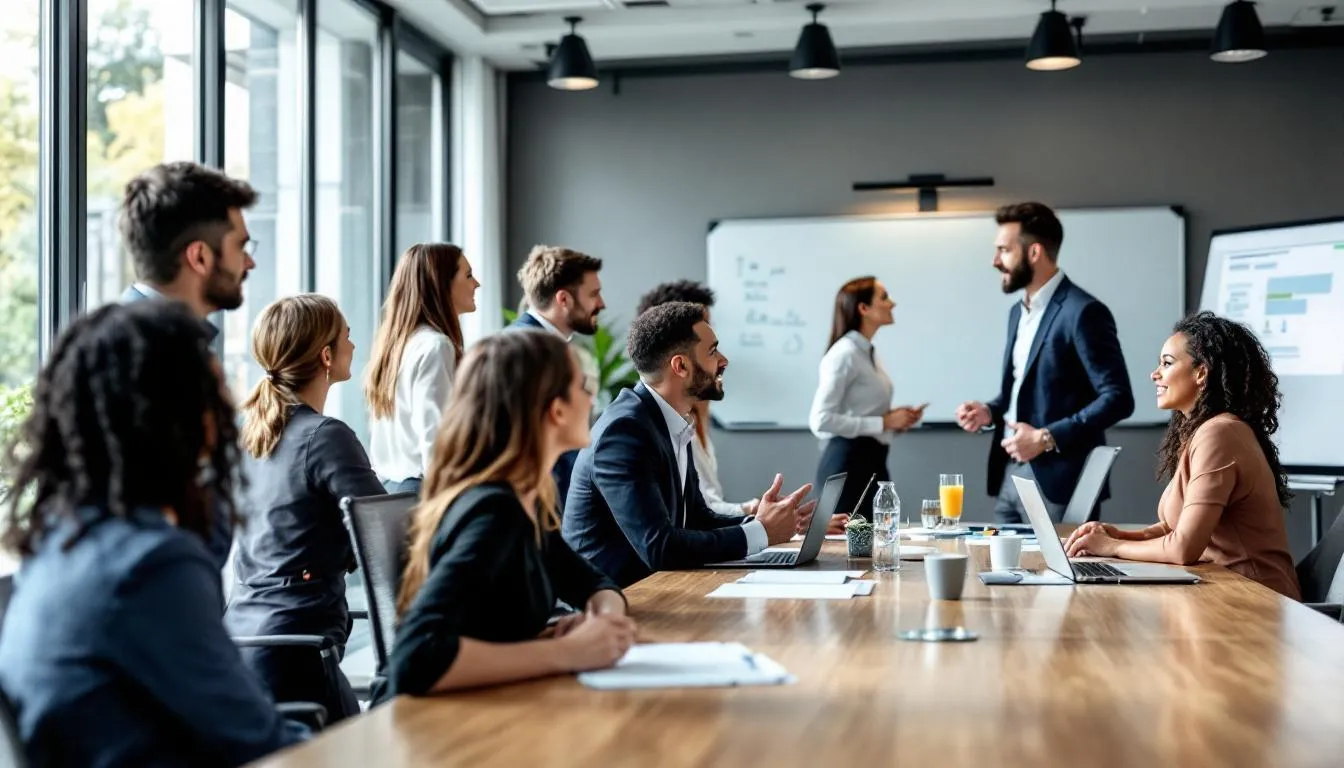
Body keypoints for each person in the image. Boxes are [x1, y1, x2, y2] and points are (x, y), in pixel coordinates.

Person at [0, 302, 308, 767]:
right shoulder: (149, 564)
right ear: (171, 416)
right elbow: (257, 738)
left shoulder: (64, 544)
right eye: (212, 390)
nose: (226, 408)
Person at [384, 331, 636, 697]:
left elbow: (595, 585)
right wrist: (568, 651)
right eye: (582, 386)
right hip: (435, 733)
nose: (592, 398)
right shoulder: (494, 511)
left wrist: (603, 621)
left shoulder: (526, 502)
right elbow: (415, 658)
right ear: (556, 409)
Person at [563, 301, 817, 587]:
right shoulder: (625, 431)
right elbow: (659, 547)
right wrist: (761, 531)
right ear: (680, 366)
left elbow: (696, 518)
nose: (724, 360)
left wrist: (767, 521)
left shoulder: (667, 419)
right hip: (613, 604)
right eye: (712, 351)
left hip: (656, 592)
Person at [224, 295, 386, 722]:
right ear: (327, 356)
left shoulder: (251, 435)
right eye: (348, 336)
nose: (355, 345)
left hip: (243, 645)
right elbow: (384, 539)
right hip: (299, 656)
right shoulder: (326, 436)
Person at [1064, 312, 1301, 600]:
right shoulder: (1204, 431)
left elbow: (1183, 548)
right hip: (1223, 591)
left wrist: (1111, 547)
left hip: (1256, 601)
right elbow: (1172, 528)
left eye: (1166, 363)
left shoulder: (1220, 434)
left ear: (1201, 372)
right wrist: (1118, 536)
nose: (1155, 374)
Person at [116, 160, 260, 569]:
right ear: (199, 257)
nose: (248, 263)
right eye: (241, 247)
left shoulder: (173, 346)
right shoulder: (136, 357)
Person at [955, 202, 1134, 524]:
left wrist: (1045, 437)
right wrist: (989, 411)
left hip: (1061, 482)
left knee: (1059, 574)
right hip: (1009, 472)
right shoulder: (1016, 313)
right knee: (1004, 572)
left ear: (1034, 252)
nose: (995, 261)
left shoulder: (1083, 312)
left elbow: (1119, 398)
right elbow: (1018, 394)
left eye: (1004, 251)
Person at [635, 280, 850, 532]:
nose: (723, 359)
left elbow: (697, 512)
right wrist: (760, 519)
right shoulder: (640, 428)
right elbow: (667, 536)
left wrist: (775, 522)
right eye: (709, 346)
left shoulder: (685, 416)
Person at [365, 243, 480, 494]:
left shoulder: (397, 346)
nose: (477, 284)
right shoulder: (436, 346)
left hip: (391, 491)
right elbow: (436, 439)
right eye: (468, 275)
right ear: (441, 284)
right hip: (422, 493)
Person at [809, 277, 927, 519]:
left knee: (876, 546)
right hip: (848, 467)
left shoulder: (868, 353)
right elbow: (820, 420)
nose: (892, 303)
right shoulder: (844, 354)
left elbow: (862, 412)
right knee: (848, 552)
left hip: (872, 463)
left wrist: (896, 420)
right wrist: (883, 423)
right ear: (863, 309)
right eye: (884, 297)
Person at [507, 245, 607, 506]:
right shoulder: (524, 350)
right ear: (563, 299)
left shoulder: (546, 347)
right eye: (594, 294)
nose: (601, 304)